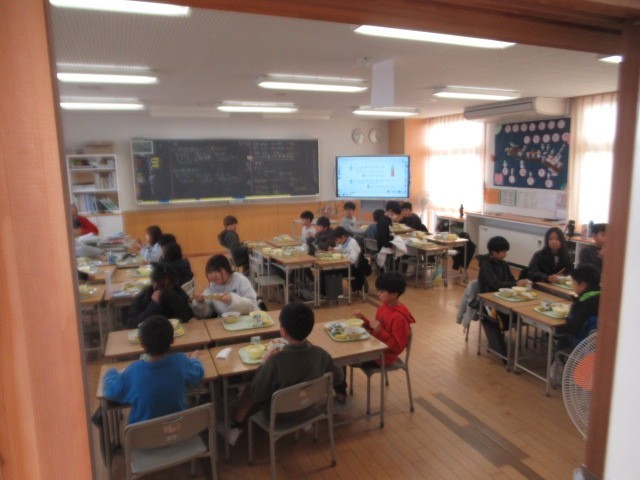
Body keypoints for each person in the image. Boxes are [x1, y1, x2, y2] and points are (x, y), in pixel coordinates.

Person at [224, 303, 343, 445]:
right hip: (308, 407)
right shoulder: (320, 354)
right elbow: (339, 377)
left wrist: (263, 364)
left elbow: (257, 393)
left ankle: (235, 425)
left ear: (283, 331)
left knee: (255, 383)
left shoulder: (274, 362)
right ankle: (303, 418)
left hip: (279, 415)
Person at [103, 315, 204, 424]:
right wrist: (194, 360)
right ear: (172, 340)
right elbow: (198, 373)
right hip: (177, 428)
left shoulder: (134, 370)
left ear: (141, 342)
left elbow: (111, 391)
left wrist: (111, 372)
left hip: (144, 433)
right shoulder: (180, 361)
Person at [334, 272, 415, 403]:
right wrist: (363, 320)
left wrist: (380, 331)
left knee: (340, 358)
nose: (378, 294)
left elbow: (397, 347)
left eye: (382, 292)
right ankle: (339, 390)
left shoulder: (399, 317)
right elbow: (374, 330)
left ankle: (340, 393)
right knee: (340, 350)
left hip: (383, 357)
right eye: (378, 291)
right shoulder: (384, 307)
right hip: (375, 348)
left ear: (394, 294)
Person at [126, 264, 193, 328]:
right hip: (151, 332)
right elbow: (132, 323)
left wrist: (174, 299)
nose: (164, 290)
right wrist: (154, 305)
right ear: (153, 282)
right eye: (161, 285)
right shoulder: (146, 294)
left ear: (172, 284)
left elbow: (187, 317)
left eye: (168, 286)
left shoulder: (177, 292)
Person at [191, 254, 259, 317]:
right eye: (210, 272)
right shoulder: (211, 288)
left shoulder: (240, 280)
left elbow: (252, 305)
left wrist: (231, 300)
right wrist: (200, 302)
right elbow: (206, 314)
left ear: (227, 269)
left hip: (250, 319)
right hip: (226, 323)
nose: (213, 275)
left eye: (217, 271)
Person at [563, 264, 601, 348]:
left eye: (574, 284)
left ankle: (560, 355)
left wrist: (567, 318)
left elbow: (572, 329)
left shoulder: (582, 303)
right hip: (599, 342)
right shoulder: (604, 297)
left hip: (582, 344)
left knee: (563, 336)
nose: (573, 286)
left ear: (582, 285)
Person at [332, 226, 369, 291]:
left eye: (336, 239)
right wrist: (334, 249)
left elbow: (353, 259)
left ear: (343, 237)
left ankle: (335, 293)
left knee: (332, 271)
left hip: (354, 269)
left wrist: (341, 255)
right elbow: (341, 248)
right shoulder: (345, 241)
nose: (336, 241)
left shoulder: (352, 243)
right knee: (331, 270)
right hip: (348, 266)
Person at [376, 201, 402, 272]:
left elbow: (389, 234)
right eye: (395, 213)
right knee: (385, 270)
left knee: (390, 268)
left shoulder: (389, 220)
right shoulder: (382, 221)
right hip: (384, 248)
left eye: (397, 214)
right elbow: (381, 238)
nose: (395, 215)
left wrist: (394, 242)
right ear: (390, 210)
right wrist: (391, 245)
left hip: (388, 246)